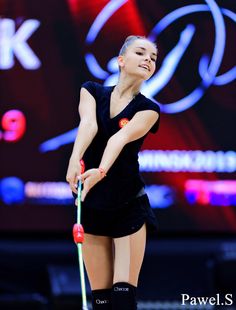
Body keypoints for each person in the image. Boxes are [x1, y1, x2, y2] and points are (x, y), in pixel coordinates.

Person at [66, 35, 160, 310]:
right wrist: (75, 159)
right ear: (121, 60)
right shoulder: (91, 90)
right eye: (141, 53)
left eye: (153, 58)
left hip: (129, 206)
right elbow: (89, 125)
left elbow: (118, 139)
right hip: (93, 205)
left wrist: (101, 170)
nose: (148, 60)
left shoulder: (149, 110)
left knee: (122, 298)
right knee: (102, 301)